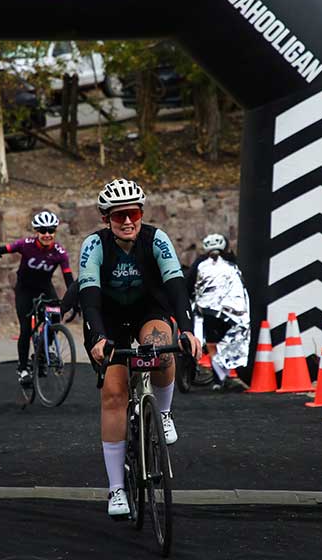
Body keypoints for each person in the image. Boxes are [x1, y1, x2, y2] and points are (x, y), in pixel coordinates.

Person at [77, 178, 199, 518]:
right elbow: (89, 299)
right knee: (114, 394)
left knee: (162, 347)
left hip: (149, 310)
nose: (127, 221)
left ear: (141, 213)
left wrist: (188, 330)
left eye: (133, 213)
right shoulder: (94, 245)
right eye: (119, 216)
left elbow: (176, 285)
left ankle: (162, 413)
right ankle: (116, 489)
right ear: (106, 219)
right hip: (109, 319)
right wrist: (98, 337)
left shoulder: (156, 239)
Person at [0, 211, 73, 385]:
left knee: (56, 316)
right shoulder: (26, 244)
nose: (47, 234)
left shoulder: (60, 253)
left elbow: (68, 278)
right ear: (36, 232)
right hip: (25, 290)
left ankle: (42, 350)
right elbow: (8, 248)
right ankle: (23, 369)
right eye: (42, 230)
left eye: (50, 230)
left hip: (45, 288)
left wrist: (74, 299)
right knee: (25, 330)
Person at [186, 233, 248, 392]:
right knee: (227, 342)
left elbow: (188, 284)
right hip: (231, 312)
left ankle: (218, 377)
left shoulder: (200, 263)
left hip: (207, 312)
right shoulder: (232, 262)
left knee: (212, 344)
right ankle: (223, 376)